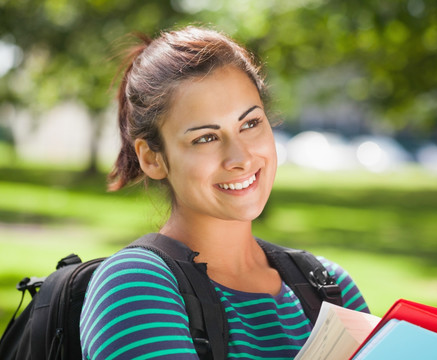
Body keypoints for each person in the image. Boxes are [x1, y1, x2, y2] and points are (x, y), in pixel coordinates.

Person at [80, 26, 369, 360]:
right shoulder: (133, 287)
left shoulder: (332, 288)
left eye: (250, 124)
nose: (241, 158)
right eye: (205, 138)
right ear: (152, 158)